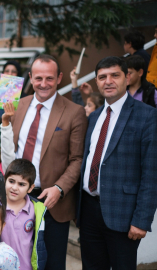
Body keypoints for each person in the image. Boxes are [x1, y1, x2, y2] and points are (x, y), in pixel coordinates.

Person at [76, 56, 157, 269]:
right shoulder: (94, 117)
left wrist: (141, 220)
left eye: (115, 75)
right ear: (96, 82)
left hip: (123, 215)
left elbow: (151, 173)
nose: (108, 81)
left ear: (127, 77)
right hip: (88, 211)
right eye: (102, 77)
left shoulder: (147, 116)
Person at [11, 54, 88, 270]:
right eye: (38, 78)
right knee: (17, 259)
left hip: (51, 200)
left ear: (59, 78)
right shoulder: (19, 104)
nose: (43, 84)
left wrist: (59, 188)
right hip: (16, 196)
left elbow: (77, 159)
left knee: (52, 264)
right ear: (30, 77)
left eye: (49, 78)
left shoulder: (74, 112)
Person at [2, 159, 47, 270]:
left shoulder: (36, 210)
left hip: (27, 267)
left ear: (31, 188)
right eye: (11, 181)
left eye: (21, 184)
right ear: (5, 180)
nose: (15, 187)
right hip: (1, 266)